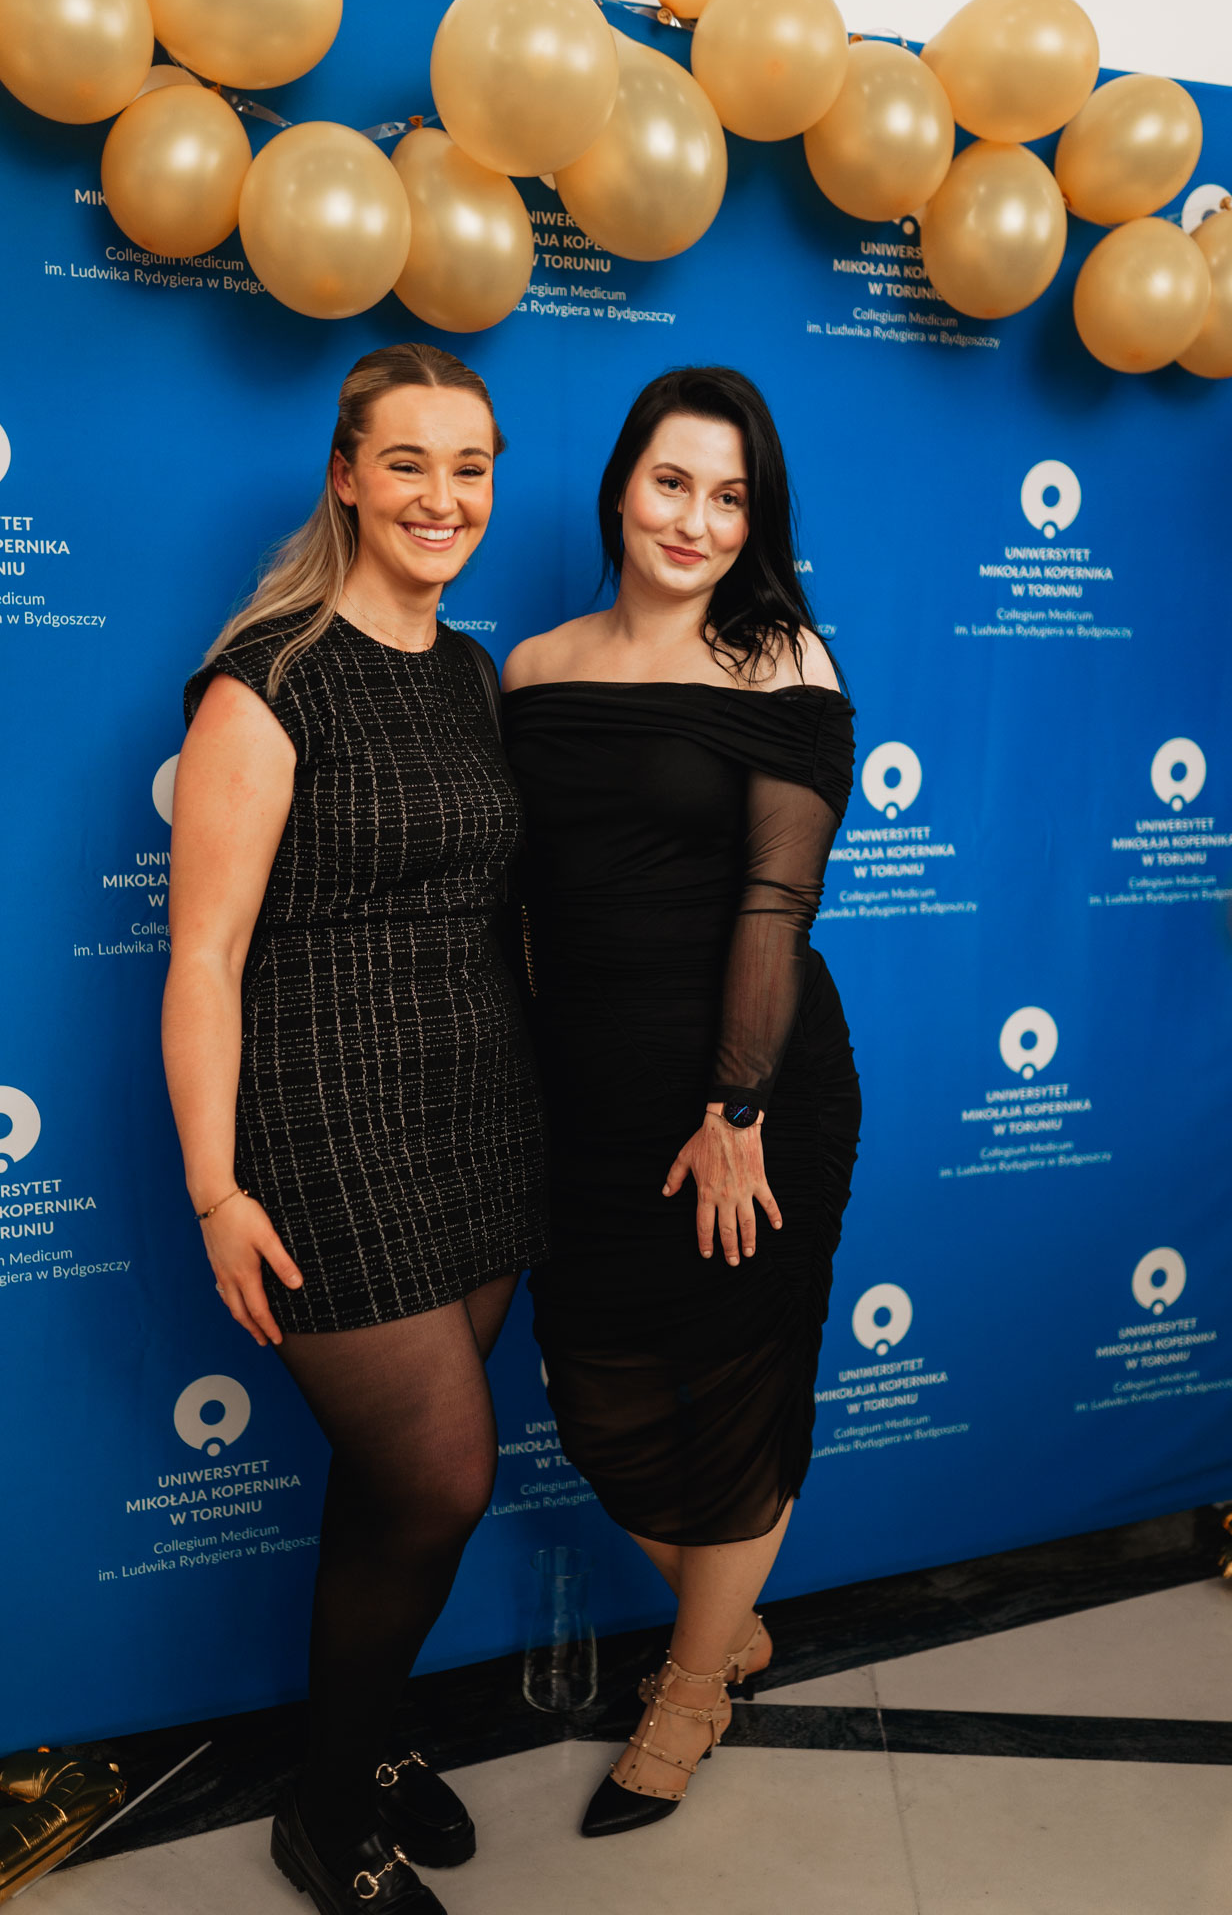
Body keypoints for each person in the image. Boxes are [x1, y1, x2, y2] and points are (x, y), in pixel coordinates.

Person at [162, 342, 546, 1914]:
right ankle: (326, 1818)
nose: (441, 497)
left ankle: (364, 1741)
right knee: (442, 1478)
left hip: (480, 1115)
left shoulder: (469, 673)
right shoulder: (267, 680)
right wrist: (215, 1190)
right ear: (345, 477)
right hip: (326, 1128)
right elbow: (204, 958)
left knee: (394, 1490)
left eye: (469, 467)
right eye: (407, 462)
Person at [502, 365, 860, 1838]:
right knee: (596, 1398)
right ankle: (730, 1624)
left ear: (754, 520)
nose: (694, 520)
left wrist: (737, 1111)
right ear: (621, 487)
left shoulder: (784, 664)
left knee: (738, 1388)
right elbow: (527, 903)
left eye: (729, 497)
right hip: (585, 1098)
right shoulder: (532, 669)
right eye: (671, 483)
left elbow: (777, 901)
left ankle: (691, 1687)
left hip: (748, 1101)